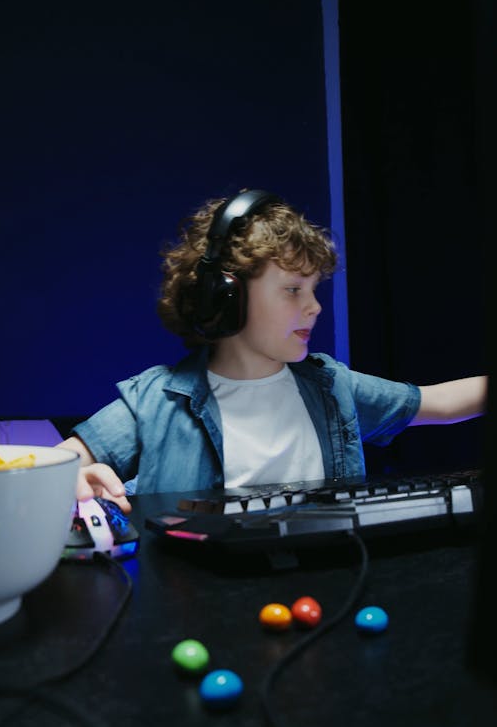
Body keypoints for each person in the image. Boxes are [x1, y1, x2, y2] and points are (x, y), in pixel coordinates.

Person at [60, 189, 487, 513]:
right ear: (224, 297)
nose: (314, 306)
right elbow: (37, 469)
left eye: (314, 289)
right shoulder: (154, 401)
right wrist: (71, 480)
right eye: (292, 289)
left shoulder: (331, 387)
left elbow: (440, 402)